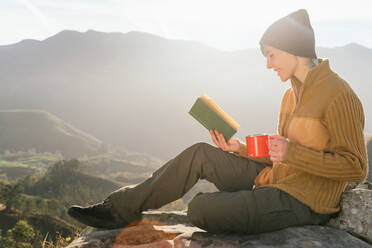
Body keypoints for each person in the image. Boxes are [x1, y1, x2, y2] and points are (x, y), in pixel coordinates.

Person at [68, 9, 368, 234]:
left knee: (199, 208)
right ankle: (117, 209)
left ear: (294, 50)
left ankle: (242, 204)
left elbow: (356, 166)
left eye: (272, 55)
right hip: (272, 181)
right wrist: (239, 149)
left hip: (305, 203)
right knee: (201, 153)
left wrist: (293, 154)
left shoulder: (338, 94)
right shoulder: (290, 96)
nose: (268, 64)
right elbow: (282, 155)